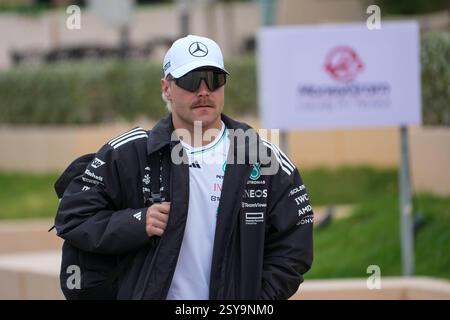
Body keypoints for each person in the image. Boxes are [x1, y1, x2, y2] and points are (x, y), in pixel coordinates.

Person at [55, 34, 313, 300]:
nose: (203, 91)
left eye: (214, 80)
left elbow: (294, 241)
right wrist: (137, 222)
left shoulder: (261, 156)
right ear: (166, 88)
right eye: (191, 81)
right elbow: (73, 217)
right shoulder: (128, 153)